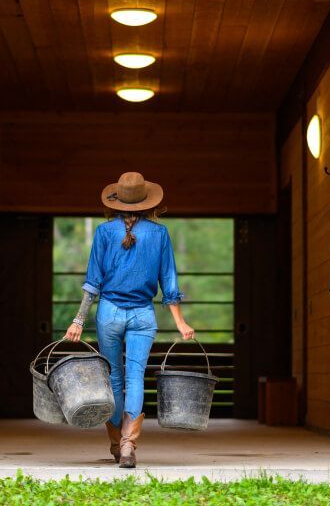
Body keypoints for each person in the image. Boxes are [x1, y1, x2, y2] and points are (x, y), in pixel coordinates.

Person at [64, 172, 195, 469]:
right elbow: (169, 281)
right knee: (135, 377)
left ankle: (114, 441)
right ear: (149, 203)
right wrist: (180, 322)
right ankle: (128, 445)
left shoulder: (103, 232)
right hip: (142, 314)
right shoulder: (160, 234)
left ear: (117, 201)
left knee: (113, 378)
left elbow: (93, 281)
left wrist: (78, 319)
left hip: (109, 312)